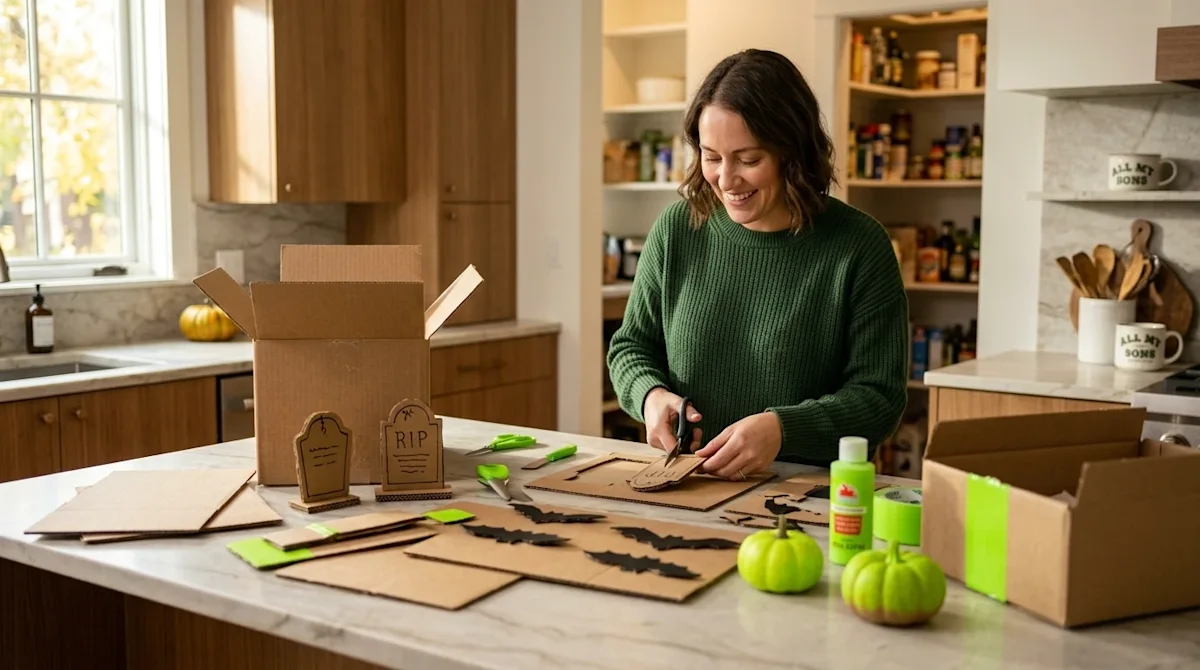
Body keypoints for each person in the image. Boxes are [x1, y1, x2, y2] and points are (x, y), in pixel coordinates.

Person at [605, 49, 909, 480]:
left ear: (794, 151)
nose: (726, 180)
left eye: (748, 160)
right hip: (686, 485)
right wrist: (650, 395)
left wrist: (784, 430)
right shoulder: (677, 230)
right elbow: (630, 347)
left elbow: (879, 399)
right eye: (711, 157)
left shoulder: (859, 247)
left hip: (804, 498)